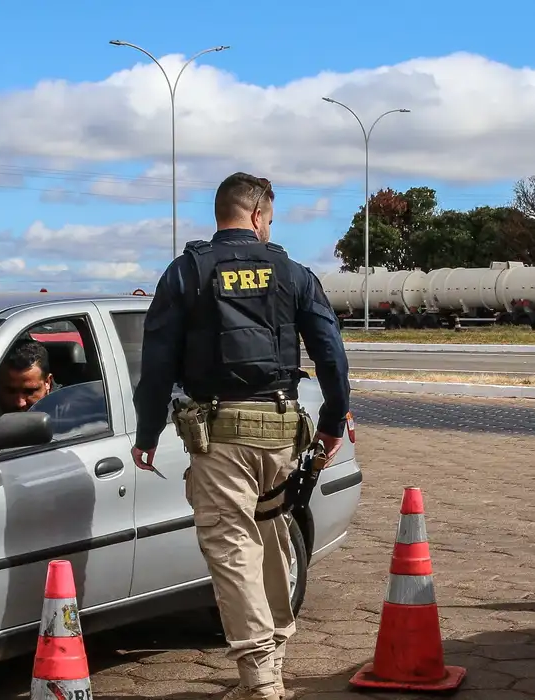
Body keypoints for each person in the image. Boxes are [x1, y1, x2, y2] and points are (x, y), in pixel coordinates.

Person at [129, 172, 351, 700]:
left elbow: (156, 363)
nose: (269, 229)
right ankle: (274, 649)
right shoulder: (293, 273)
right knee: (271, 534)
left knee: (232, 547)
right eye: (270, 219)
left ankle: (261, 682)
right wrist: (332, 423)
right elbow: (331, 355)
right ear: (256, 216)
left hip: (220, 434)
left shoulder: (187, 272)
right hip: (281, 432)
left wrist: (146, 431)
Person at [0, 338, 55, 413]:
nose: (20, 403)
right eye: (11, 391)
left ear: (48, 383)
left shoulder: (66, 413)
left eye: (29, 392)